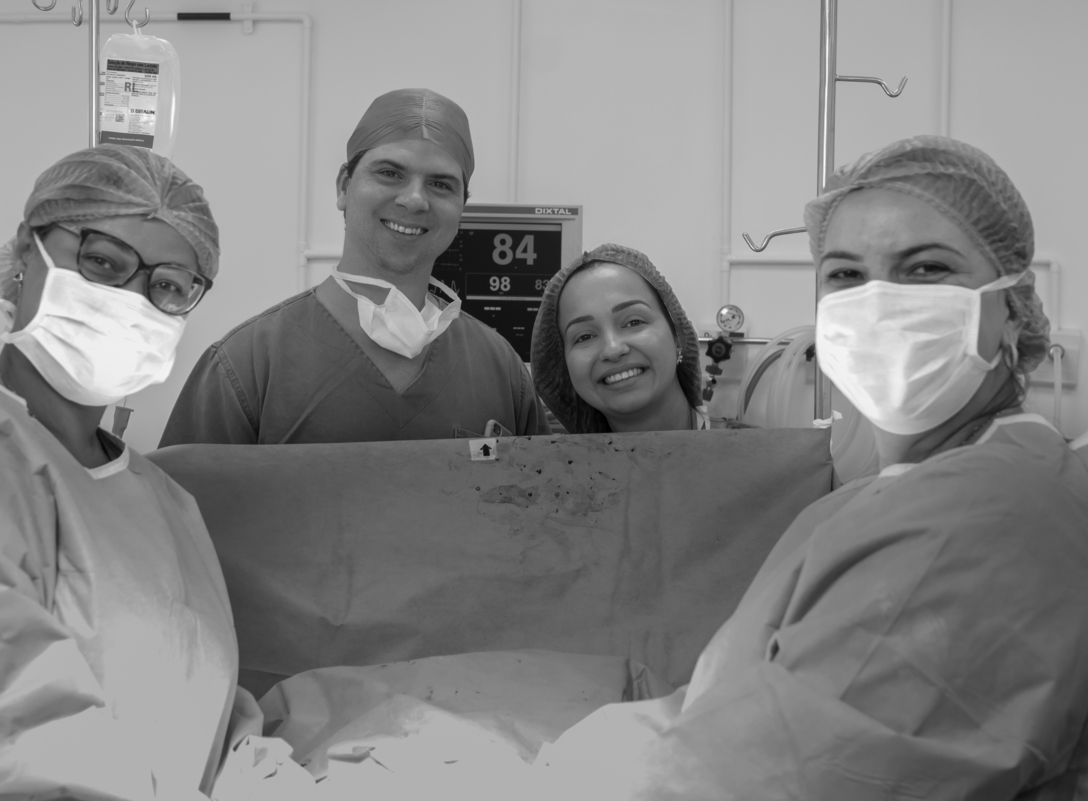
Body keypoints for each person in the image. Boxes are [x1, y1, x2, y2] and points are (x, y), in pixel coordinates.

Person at [526, 136, 1088, 799]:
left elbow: (782, 773)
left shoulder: (989, 517)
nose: (879, 304)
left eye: (926, 268)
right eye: (846, 275)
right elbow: (739, 690)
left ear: (1012, 308)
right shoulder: (874, 501)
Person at [0, 146, 312, 800]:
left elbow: (215, 730)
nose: (131, 300)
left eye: (168, 286)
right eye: (104, 262)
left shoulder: (165, 503)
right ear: (26, 252)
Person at [159, 88, 549, 446]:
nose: (414, 200)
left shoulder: (502, 372)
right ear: (344, 186)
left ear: (462, 206)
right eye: (390, 173)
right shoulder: (246, 366)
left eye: (441, 184)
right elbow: (176, 500)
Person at [530, 243, 706, 433]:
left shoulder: (733, 446)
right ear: (563, 366)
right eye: (584, 337)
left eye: (634, 322)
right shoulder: (546, 453)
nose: (612, 349)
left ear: (677, 335)